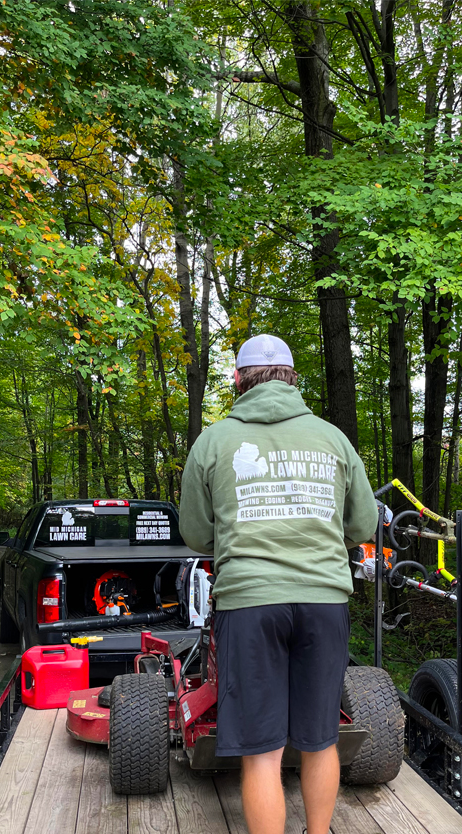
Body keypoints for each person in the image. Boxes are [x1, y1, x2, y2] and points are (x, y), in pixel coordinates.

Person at [179, 334, 378, 834]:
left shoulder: (214, 441)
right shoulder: (333, 439)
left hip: (249, 604)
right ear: (292, 378)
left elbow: (196, 534)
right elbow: (364, 525)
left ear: (238, 380)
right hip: (323, 601)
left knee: (262, 753)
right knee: (319, 739)